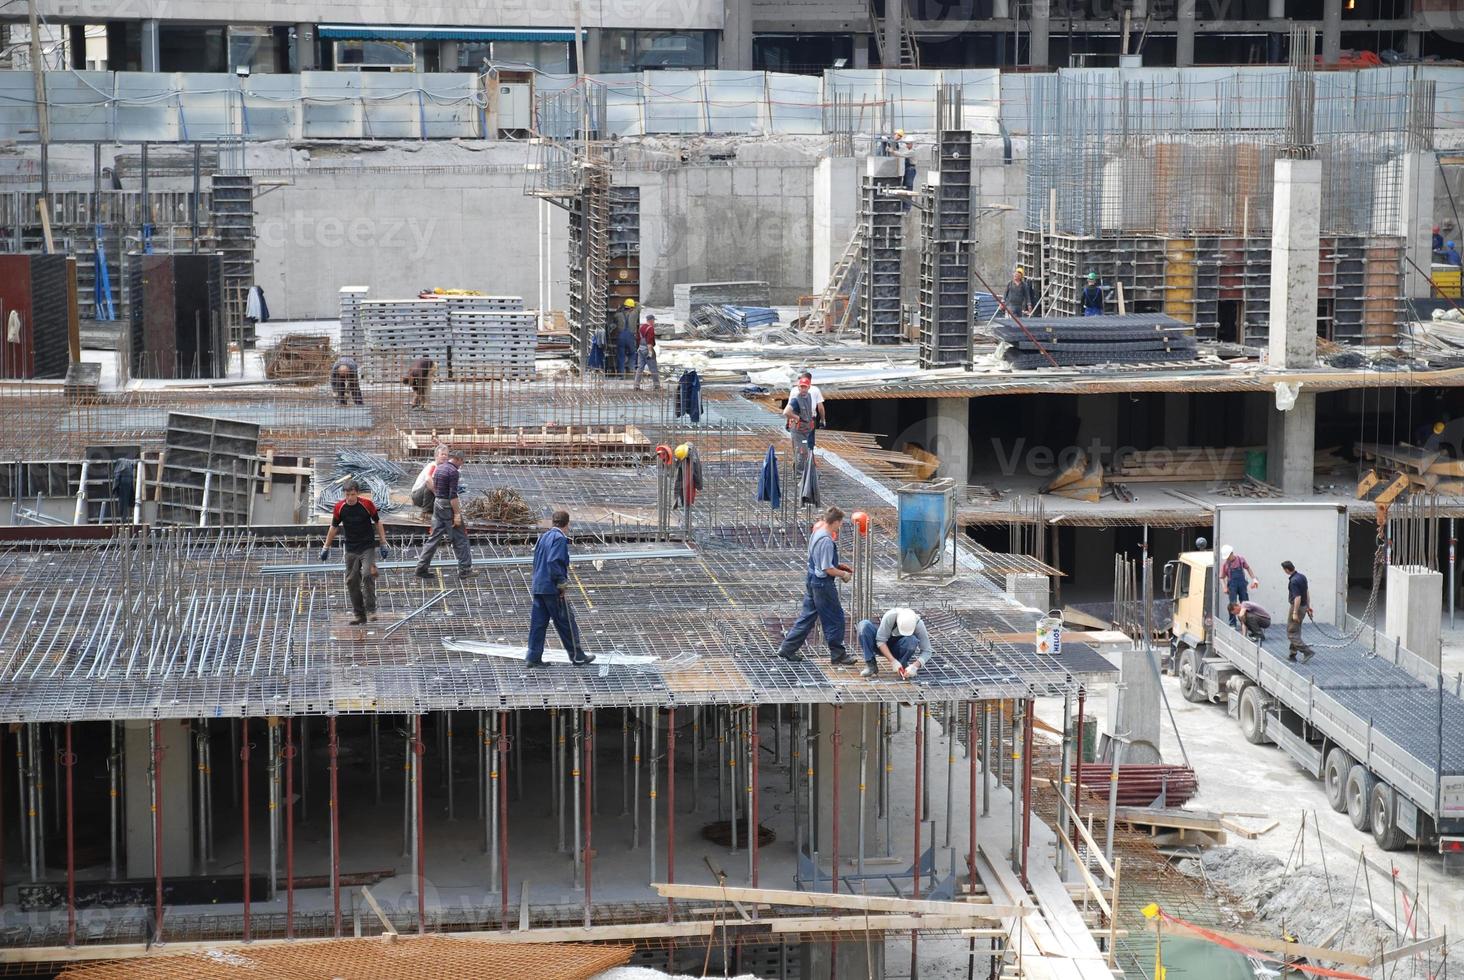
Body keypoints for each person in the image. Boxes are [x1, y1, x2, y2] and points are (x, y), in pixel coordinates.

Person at [775, 506, 854, 665]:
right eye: (840, 523)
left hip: (812, 579)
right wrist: (843, 574)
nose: (840, 526)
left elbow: (819, 561)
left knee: (807, 616)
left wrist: (837, 565)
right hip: (822, 584)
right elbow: (827, 569)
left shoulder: (817, 531)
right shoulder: (825, 540)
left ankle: (787, 648)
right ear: (836, 521)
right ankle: (838, 653)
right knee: (835, 617)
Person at [525, 510, 596, 668]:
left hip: (539, 586)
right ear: (567, 524)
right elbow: (554, 562)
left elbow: (538, 560)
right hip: (551, 588)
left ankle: (533, 657)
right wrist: (561, 584)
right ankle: (577, 656)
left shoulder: (544, 537)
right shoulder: (559, 538)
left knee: (538, 623)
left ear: (553, 522)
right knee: (566, 622)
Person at [319, 479, 389, 625]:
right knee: (352, 581)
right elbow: (334, 527)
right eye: (347, 494)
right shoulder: (340, 507)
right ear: (344, 494)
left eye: (352, 494)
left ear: (357, 493)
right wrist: (326, 547)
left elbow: (378, 522)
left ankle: (371, 610)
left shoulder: (367, 505)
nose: (350, 498)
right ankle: (359, 614)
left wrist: (383, 543)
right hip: (351, 548)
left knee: (367, 574)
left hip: (367, 546)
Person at [415, 449, 476, 580]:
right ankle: (465, 569)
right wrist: (457, 514)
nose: (462, 464)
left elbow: (436, 487)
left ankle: (421, 568)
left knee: (434, 537)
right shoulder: (453, 472)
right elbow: (453, 496)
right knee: (460, 537)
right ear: (458, 459)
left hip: (438, 503)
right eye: (462, 462)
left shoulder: (441, 468)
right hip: (447, 506)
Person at [858, 607, 933, 679]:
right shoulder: (890, 616)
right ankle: (871, 664)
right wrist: (893, 661)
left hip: (898, 647)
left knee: (911, 641)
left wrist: (915, 666)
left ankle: (902, 664)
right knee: (864, 625)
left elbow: (927, 651)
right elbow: (880, 641)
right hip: (881, 646)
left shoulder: (918, 624)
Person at [1282, 560, 1315, 662]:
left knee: (1291, 633)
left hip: (1297, 607)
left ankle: (1307, 652)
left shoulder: (1294, 581)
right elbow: (1307, 592)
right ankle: (1292, 655)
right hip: (1303, 607)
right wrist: (1308, 607)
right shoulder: (1302, 576)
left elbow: (1297, 598)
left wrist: (1295, 612)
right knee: (1296, 631)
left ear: (1287, 570)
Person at [783, 372, 823, 452]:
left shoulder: (808, 396)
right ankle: (800, 461)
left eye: (805, 387)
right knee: (800, 445)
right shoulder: (797, 399)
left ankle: (808, 460)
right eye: (802, 387)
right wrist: (795, 418)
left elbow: (819, 407)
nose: (803, 389)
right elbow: (787, 411)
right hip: (798, 423)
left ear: (808, 387)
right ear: (799, 387)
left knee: (807, 444)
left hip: (807, 422)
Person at [1220, 545, 1257, 626]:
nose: (1227, 558)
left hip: (1242, 584)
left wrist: (1254, 579)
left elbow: (1248, 568)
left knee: (1245, 602)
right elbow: (1222, 577)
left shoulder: (1241, 559)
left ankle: (1247, 623)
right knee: (1232, 604)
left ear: (1231, 553)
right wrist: (1224, 587)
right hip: (1232, 586)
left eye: (1228, 556)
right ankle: (1232, 623)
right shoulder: (1225, 565)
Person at [410, 445, 449, 518]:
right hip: (417, 496)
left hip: (427, 496)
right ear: (436, 456)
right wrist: (438, 496)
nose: (444, 456)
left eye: (446, 455)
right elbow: (428, 480)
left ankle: (433, 508)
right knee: (430, 483)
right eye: (442, 454)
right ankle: (425, 512)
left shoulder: (444, 468)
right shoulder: (433, 466)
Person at [633, 314, 660, 390]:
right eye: (653, 320)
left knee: (640, 368)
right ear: (651, 320)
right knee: (653, 368)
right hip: (647, 350)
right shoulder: (650, 328)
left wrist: (639, 347)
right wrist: (650, 352)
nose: (654, 322)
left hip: (640, 349)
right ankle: (657, 385)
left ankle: (636, 386)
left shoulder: (641, 327)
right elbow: (649, 341)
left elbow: (638, 339)